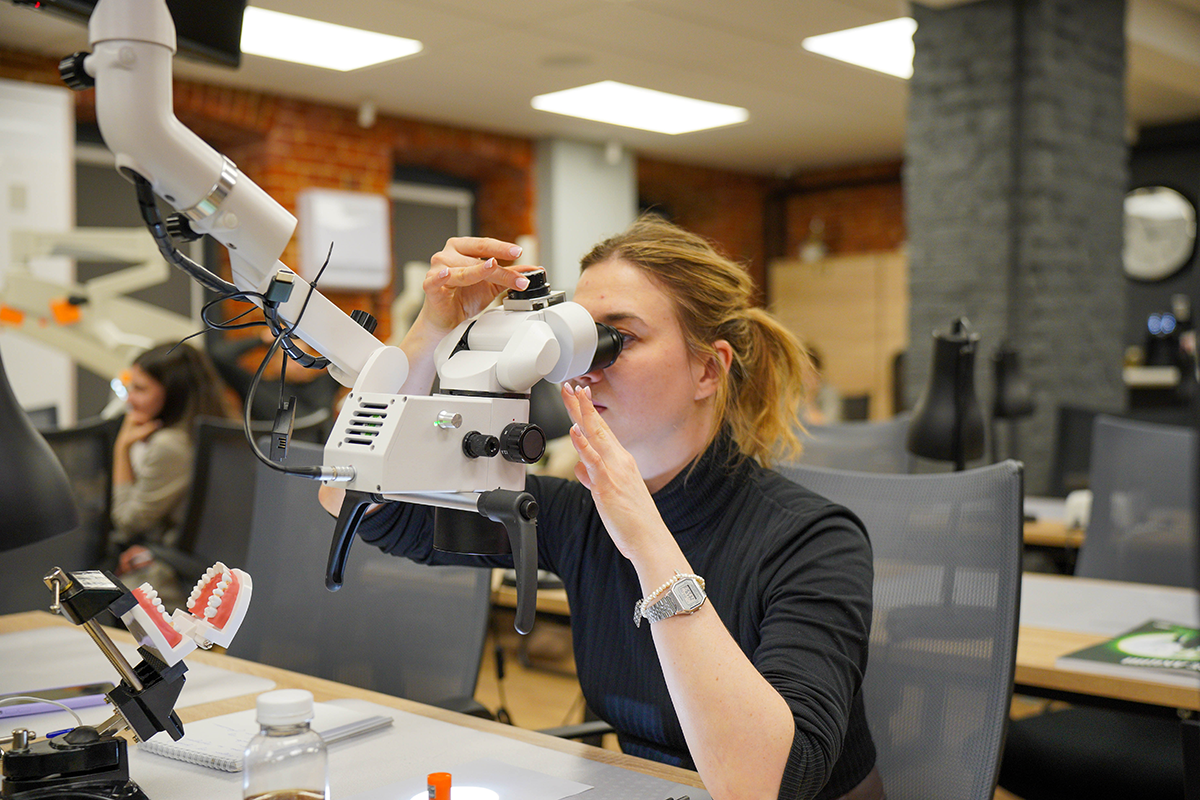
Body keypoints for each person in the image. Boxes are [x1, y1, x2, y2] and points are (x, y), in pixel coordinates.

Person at [319, 216, 880, 800]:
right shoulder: (581, 514)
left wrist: (648, 540)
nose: (584, 367)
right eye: (577, 337)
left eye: (619, 338)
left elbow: (769, 784)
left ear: (707, 370)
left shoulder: (814, 541)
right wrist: (433, 331)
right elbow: (349, 493)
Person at [109, 341, 235, 609]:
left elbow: (127, 522)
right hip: (208, 575)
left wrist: (121, 449)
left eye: (140, 389)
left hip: (171, 583)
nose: (129, 399)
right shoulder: (218, 428)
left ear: (173, 392)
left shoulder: (171, 445)